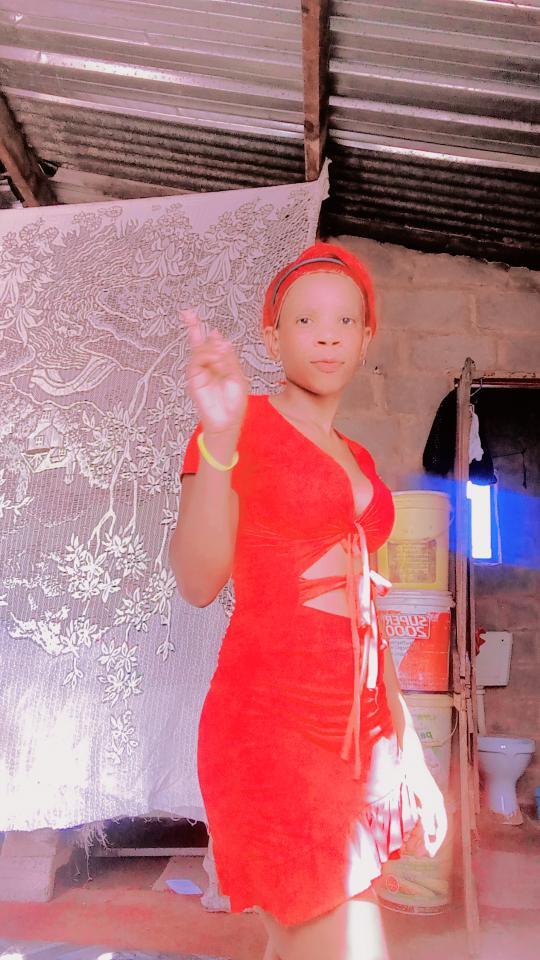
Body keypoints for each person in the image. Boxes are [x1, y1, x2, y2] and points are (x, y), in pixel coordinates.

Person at [169, 242, 447, 960]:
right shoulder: (241, 422)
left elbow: (365, 617)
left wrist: (409, 750)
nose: (327, 336)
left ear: (366, 339)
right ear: (272, 338)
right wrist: (221, 437)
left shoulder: (359, 458)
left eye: (345, 321)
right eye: (305, 321)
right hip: (271, 725)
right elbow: (198, 581)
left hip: (359, 737)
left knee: (299, 945)